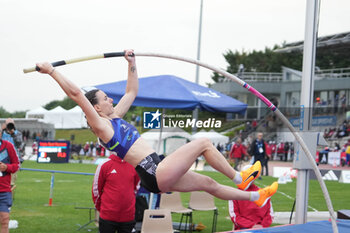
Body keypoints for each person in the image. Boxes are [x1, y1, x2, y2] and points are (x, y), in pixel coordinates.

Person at [36, 49, 277, 207]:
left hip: (157, 171)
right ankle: (239, 178)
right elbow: (77, 94)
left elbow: (131, 91)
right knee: (203, 143)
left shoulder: (115, 117)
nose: (111, 100)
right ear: (96, 109)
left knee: (209, 184)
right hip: (153, 171)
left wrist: (132, 63)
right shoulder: (102, 127)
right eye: (105, 99)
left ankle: (256, 197)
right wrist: (52, 72)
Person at [92, 153, 140, 233]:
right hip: (107, 216)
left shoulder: (134, 165)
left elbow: (135, 188)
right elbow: (96, 189)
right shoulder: (104, 164)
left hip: (128, 217)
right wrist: (102, 208)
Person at [228, 165, 273, 231]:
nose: (250, 178)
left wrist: (262, 225)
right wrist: (252, 225)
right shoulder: (234, 194)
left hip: (262, 228)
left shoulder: (263, 192)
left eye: (252, 175)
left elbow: (269, 214)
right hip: (243, 228)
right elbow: (235, 217)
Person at [0, 130, 20, 233]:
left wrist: (6, 167)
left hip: (3, 191)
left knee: (4, 220)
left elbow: (17, 165)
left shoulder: (8, 146)